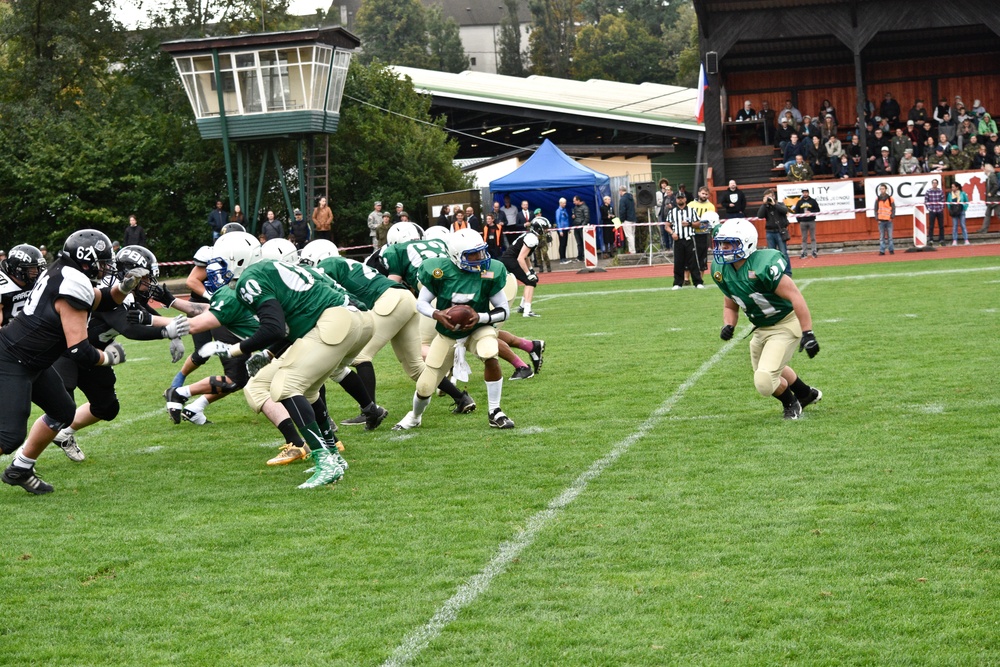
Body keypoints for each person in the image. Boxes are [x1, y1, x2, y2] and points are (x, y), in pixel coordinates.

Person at [200, 231, 379, 489]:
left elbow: (273, 328)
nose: (218, 268)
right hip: (360, 320)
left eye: (223, 261)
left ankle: (324, 461)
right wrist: (268, 354)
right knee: (308, 390)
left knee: (285, 386)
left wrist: (233, 351)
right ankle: (333, 455)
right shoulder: (282, 268)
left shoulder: (251, 277)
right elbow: (288, 329)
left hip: (336, 321)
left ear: (238, 260)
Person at [0, 230, 145, 494]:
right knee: (9, 436)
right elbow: (79, 351)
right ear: (86, 260)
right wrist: (109, 357)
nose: (105, 267)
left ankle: (20, 468)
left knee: (63, 412)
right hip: (12, 359)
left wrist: (122, 289)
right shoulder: (72, 284)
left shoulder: (65, 271)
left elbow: (99, 299)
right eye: (101, 262)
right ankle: (19, 462)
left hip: (34, 361)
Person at [51, 246, 189, 461]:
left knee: (107, 407)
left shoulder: (132, 293)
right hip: (68, 351)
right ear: (128, 274)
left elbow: (148, 315)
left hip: (94, 353)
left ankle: (64, 435)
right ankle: (23, 460)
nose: (149, 283)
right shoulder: (110, 293)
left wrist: (174, 335)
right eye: (145, 278)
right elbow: (129, 328)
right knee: (60, 410)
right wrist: (165, 332)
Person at [391, 228, 515, 431]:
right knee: (424, 386)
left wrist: (480, 317)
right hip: (447, 334)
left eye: (481, 252)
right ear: (456, 256)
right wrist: (436, 314)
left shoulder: (489, 271)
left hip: (478, 329)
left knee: (489, 352)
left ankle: (495, 411)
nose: (480, 258)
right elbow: (421, 303)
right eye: (472, 254)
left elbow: (504, 310)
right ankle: (414, 416)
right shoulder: (438, 271)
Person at [710, 218, 822, 421]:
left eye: (729, 243)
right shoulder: (722, 270)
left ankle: (791, 403)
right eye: (721, 243)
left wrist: (808, 332)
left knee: (764, 381)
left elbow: (795, 296)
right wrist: (729, 324)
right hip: (761, 328)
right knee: (769, 372)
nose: (723, 248)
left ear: (747, 243)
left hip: (785, 324)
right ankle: (806, 394)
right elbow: (729, 304)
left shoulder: (762, 265)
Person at [501, 218, 543, 318]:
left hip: (510, 259)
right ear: (539, 229)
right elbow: (521, 258)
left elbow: (526, 255)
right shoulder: (532, 238)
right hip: (510, 260)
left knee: (531, 280)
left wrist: (531, 270)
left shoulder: (530, 236)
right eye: (544, 228)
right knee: (530, 281)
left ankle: (522, 307)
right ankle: (527, 311)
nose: (546, 231)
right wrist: (528, 274)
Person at [664, 192, 703, 290]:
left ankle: (698, 282)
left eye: (682, 198)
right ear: (676, 200)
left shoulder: (691, 210)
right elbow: (667, 226)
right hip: (678, 240)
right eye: (678, 198)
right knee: (678, 262)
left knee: (693, 261)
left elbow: (698, 224)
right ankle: (677, 283)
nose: (680, 200)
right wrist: (672, 233)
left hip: (689, 238)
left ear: (685, 199)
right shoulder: (672, 212)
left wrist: (690, 224)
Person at [0, 244, 46, 326]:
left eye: (37, 267)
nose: (36, 272)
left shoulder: (38, 280)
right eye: (31, 268)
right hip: (8, 334)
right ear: (17, 269)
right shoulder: (3, 288)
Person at [757, 189, 792, 275]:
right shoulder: (766, 207)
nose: (769, 198)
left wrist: (774, 204)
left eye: (770, 196)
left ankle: (787, 272)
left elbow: (784, 211)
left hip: (780, 232)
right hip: (770, 232)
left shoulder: (779, 204)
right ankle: (774, 272)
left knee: (783, 253)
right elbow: (760, 215)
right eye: (767, 197)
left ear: (773, 196)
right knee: (771, 254)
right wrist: (764, 204)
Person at [793, 188, 820, 259]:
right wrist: (799, 220)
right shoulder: (799, 202)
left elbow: (818, 210)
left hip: (811, 221)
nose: (805, 194)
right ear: (802, 193)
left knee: (813, 237)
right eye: (804, 192)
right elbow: (796, 212)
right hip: (803, 222)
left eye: (806, 192)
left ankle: (814, 251)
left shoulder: (813, 201)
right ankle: (804, 252)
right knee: (804, 238)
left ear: (808, 193)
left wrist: (811, 212)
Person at [874, 184, 896, 255]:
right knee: (881, 237)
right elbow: (875, 209)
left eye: (883, 189)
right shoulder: (877, 199)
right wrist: (877, 218)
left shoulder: (890, 198)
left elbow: (893, 208)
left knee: (890, 237)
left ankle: (891, 250)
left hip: (888, 220)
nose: (881, 190)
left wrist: (891, 217)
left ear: (886, 189)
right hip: (881, 220)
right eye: (880, 189)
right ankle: (882, 251)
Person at [924, 178, 946, 244]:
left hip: (939, 210)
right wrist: (929, 209)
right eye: (933, 183)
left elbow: (943, 200)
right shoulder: (928, 191)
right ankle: (930, 239)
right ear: (932, 184)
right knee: (931, 226)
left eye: (935, 183)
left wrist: (941, 208)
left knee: (941, 225)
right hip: (932, 210)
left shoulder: (940, 191)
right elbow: (926, 201)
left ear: (937, 184)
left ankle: (941, 239)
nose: (934, 184)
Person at [947, 182, 969, 246]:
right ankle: (954, 240)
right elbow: (948, 202)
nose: (952, 188)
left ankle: (966, 239)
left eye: (953, 187)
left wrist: (965, 208)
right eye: (951, 187)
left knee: (963, 225)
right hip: (954, 212)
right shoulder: (950, 194)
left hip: (961, 210)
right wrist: (950, 209)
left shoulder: (963, 193)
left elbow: (967, 201)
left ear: (957, 187)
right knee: (955, 226)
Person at [655, 180, 674, 250]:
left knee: (669, 230)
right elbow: (657, 203)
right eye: (662, 183)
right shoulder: (657, 193)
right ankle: (665, 245)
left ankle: (671, 245)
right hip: (661, 214)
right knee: (662, 230)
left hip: (669, 215)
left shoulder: (672, 196)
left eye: (665, 183)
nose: (664, 185)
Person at [617, 185, 637, 254]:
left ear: (621, 191)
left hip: (627, 219)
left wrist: (621, 220)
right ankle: (632, 249)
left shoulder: (623, 199)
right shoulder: (631, 198)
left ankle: (632, 251)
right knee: (632, 235)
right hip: (633, 219)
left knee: (629, 236)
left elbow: (622, 210)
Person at [979, 164, 998, 233]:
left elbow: (996, 185)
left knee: (998, 214)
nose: (984, 170)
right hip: (991, 199)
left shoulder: (992, 176)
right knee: (987, 214)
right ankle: (984, 229)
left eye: (985, 168)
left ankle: (984, 229)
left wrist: (991, 193)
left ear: (988, 169)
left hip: (994, 199)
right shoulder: (989, 177)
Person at [571, 195, 589, 262]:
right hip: (576, 226)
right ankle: (580, 256)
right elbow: (576, 216)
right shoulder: (575, 208)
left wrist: (582, 225)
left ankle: (586, 256)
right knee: (579, 243)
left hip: (582, 227)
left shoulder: (585, 207)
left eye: (574, 201)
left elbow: (587, 218)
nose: (573, 202)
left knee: (584, 242)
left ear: (578, 200)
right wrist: (574, 217)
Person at [554, 198, 571, 263]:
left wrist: (568, 228)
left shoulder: (565, 210)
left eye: (565, 203)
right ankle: (561, 258)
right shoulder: (558, 211)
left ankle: (564, 257)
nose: (565, 204)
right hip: (561, 229)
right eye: (564, 203)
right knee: (562, 244)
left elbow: (567, 220)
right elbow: (558, 221)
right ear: (560, 203)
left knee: (565, 244)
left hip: (566, 229)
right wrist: (560, 230)